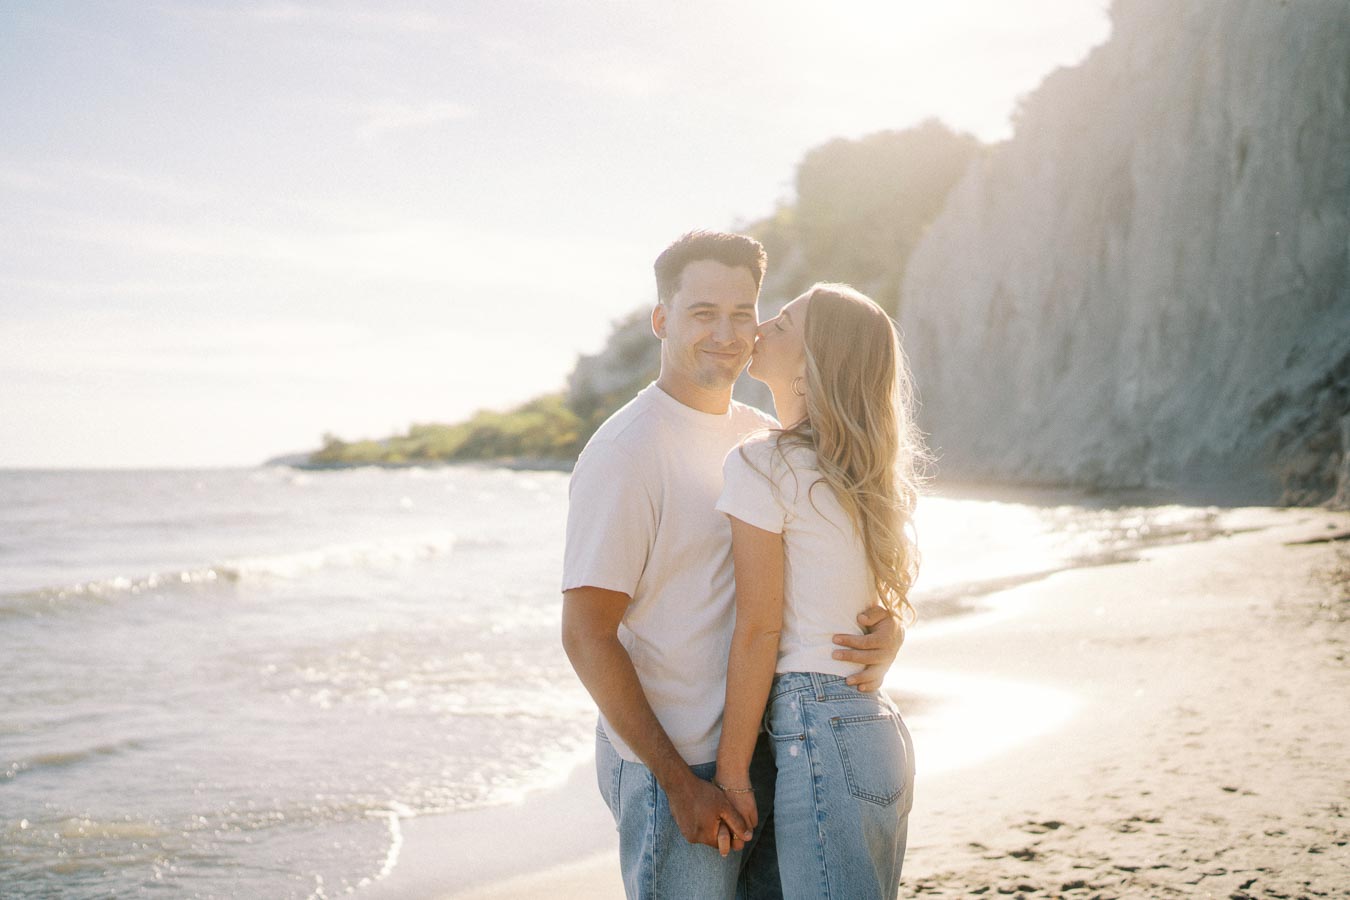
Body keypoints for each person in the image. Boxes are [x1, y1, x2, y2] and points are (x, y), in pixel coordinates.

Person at [561, 233, 907, 899]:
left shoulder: (759, 437)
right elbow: (585, 634)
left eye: (743, 313)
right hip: (679, 760)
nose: (727, 333)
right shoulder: (626, 453)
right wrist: (678, 783)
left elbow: (817, 567)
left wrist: (882, 632)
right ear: (661, 320)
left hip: (771, 748)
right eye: (702, 313)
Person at [713, 283, 924, 899]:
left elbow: (759, 628)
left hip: (819, 726)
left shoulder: (762, 462)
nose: (758, 329)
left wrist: (730, 771)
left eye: (780, 324)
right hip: (874, 726)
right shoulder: (857, 474)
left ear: (811, 366)